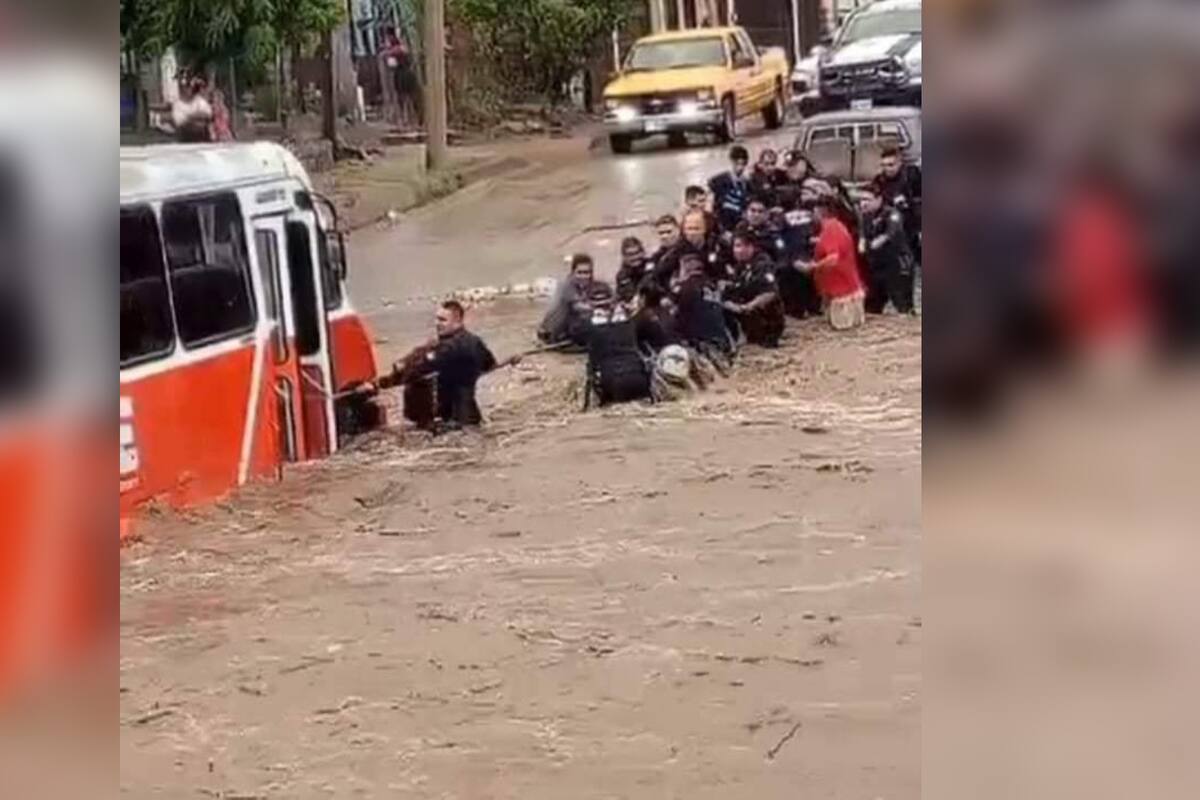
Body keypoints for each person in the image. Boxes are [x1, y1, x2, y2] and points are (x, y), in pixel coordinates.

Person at [390, 301, 510, 430]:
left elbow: (414, 371)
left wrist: (380, 383)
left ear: (457, 322)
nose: (437, 324)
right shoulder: (475, 342)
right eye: (436, 319)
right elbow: (489, 366)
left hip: (451, 421)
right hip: (471, 416)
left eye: (442, 320)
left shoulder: (448, 348)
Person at [797, 195, 866, 330]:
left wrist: (811, 267)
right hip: (841, 290)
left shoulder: (831, 229)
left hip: (841, 294)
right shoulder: (836, 226)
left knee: (842, 333)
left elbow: (833, 258)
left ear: (821, 211)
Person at [723, 227, 785, 347]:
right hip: (745, 313)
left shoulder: (762, 264)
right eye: (737, 246)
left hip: (765, 321)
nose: (741, 250)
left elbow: (770, 293)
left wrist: (748, 307)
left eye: (746, 246)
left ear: (753, 247)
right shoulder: (739, 266)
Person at [859, 186, 916, 315]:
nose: (863, 203)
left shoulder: (891, 213)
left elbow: (892, 231)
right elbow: (863, 233)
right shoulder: (865, 216)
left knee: (903, 305)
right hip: (878, 266)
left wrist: (881, 239)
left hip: (898, 264)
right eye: (861, 200)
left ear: (879, 199)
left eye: (867, 199)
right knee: (871, 305)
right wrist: (862, 242)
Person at [584, 300, 651, 408]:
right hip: (641, 383)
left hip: (613, 386)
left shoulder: (592, 330)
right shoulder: (630, 325)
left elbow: (592, 361)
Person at [538, 253, 613, 347]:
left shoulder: (589, 285)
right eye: (580, 273)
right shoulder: (566, 286)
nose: (584, 276)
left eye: (587, 273)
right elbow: (579, 307)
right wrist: (602, 307)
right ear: (573, 272)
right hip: (553, 332)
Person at [872, 146, 922, 264]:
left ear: (899, 163)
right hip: (896, 228)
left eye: (891, 165)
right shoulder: (880, 180)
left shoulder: (911, 176)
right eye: (884, 166)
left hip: (915, 222)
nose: (887, 169)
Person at [708, 145, 751, 233]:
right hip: (724, 222)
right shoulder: (718, 180)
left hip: (741, 223)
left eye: (743, 164)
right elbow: (711, 201)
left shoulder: (747, 182)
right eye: (737, 164)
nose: (740, 168)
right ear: (732, 161)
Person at [169, 76, 213, 143]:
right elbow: (179, 122)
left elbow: (208, 115)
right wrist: (197, 116)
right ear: (182, 89)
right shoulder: (177, 105)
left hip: (202, 138)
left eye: (190, 87)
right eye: (186, 87)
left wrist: (190, 116)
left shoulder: (199, 100)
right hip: (186, 138)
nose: (189, 89)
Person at [645, 214, 683, 291]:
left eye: (669, 232)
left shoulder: (685, 252)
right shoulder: (656, 256)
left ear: (678, 231)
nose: (664, 236)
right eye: (661, 233)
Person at [614, 236, 649, 304]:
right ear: (624, 257)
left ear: (643, 252)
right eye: (630, 255)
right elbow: (622, 297)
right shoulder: (622, 276)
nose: (635, 257)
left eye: (637, 253)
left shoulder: (652, 267)